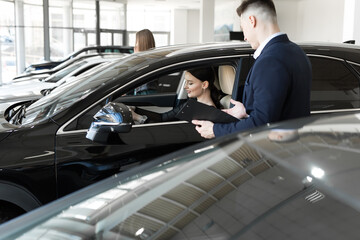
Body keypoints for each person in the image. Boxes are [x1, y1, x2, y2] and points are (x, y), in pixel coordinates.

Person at [192, 0, 312, 139]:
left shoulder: (270, 60)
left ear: (252, 21)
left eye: (243, 29)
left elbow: (262, 123)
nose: (244, 37)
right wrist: (246, 111)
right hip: (293, 146)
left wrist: (216, 130)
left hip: (272, 148)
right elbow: (281, 108)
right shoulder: (296, 52)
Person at [131, 67, 221, 123]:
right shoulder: (193, 103)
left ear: (204, 85)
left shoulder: (209, 113)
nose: (185, 87)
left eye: (190, 83)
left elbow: (170, 132)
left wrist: (138, 118)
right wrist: (135, 110)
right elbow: (163, 118)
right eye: (185, 82)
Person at [134, 29, 157, 95]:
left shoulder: (146, 64)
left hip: (145, 94)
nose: (134, 46)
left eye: (136, 42)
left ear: (142, 44)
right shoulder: (150, 61)